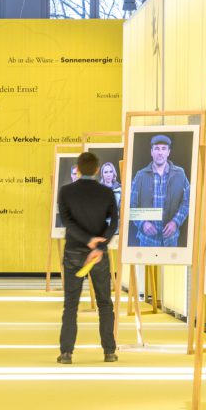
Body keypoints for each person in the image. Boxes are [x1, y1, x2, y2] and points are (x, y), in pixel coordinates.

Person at [57, 151, 119, 364]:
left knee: (71, 303)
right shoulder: (106, 193)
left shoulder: (65, 192)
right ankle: (109, 351)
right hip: (98, 256)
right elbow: (114, 223)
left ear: (78, 168)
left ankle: (66, 353)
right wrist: (99, 245)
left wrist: (87, 240)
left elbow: (67, 221)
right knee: (104, 303)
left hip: (74, 252)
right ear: (96, 170)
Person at [128, 134, 191, 248]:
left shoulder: (180, 174)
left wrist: (175, 222)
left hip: (171, 240)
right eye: (156, 148)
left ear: (168, 152)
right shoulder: (140, 176)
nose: (160, 152)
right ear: (151, 152)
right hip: (147, 241)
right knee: (146, 266)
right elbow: (131, 205)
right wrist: (142, 223)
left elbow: (188, 201)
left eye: (163, 148)